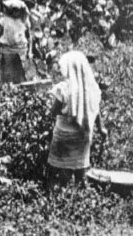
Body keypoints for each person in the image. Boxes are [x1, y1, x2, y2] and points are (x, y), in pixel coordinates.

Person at [46, 50, 107, 189]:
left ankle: (61, 199)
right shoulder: (91, 89)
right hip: (82, 136)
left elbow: (53, 112)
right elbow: (95, 110)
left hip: (64, 136)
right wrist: (101, 127)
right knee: (80, 171)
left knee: (61, 171)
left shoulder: (64, 88)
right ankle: (82, 195)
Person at [0, 0, 33, 84]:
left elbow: (29, 37)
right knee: (7, 74)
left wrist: (29, 51)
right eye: (14, 10)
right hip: (7, 50)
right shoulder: (3, 21)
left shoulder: (24, 21)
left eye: (18, 11)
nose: (16, 13)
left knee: (23, 73)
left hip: (21, 49)